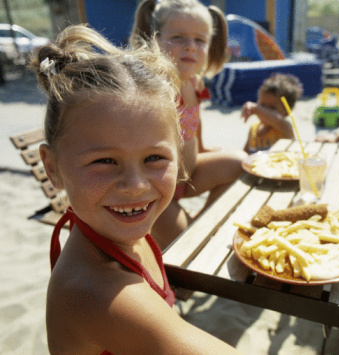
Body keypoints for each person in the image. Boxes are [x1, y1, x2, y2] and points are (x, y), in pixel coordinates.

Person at [32, 24, 239, 354]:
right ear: (52, 168)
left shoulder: (117, 229)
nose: (136, 186)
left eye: (155, 157)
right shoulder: (98, 294)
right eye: (104, 161)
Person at [131, 0, 247, 249]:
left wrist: (203, 150)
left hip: (188, 175)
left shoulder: (193, 82)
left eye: (200, 40)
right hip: (156, 190)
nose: (190, 47)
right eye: (178, 37)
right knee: (185, 245)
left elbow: (194, 124)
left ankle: (200, 221)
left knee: (241, 162)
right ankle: (187, 234)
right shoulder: (153, 88)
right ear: (156, 39)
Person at [242, 73, 303, 154]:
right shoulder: (253, 129)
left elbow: (276, 119)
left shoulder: (285, 128)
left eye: (272, 108)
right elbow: (245, 154)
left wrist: (256, 108)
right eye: (262, 105)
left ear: (287, 112)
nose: (263, 110)